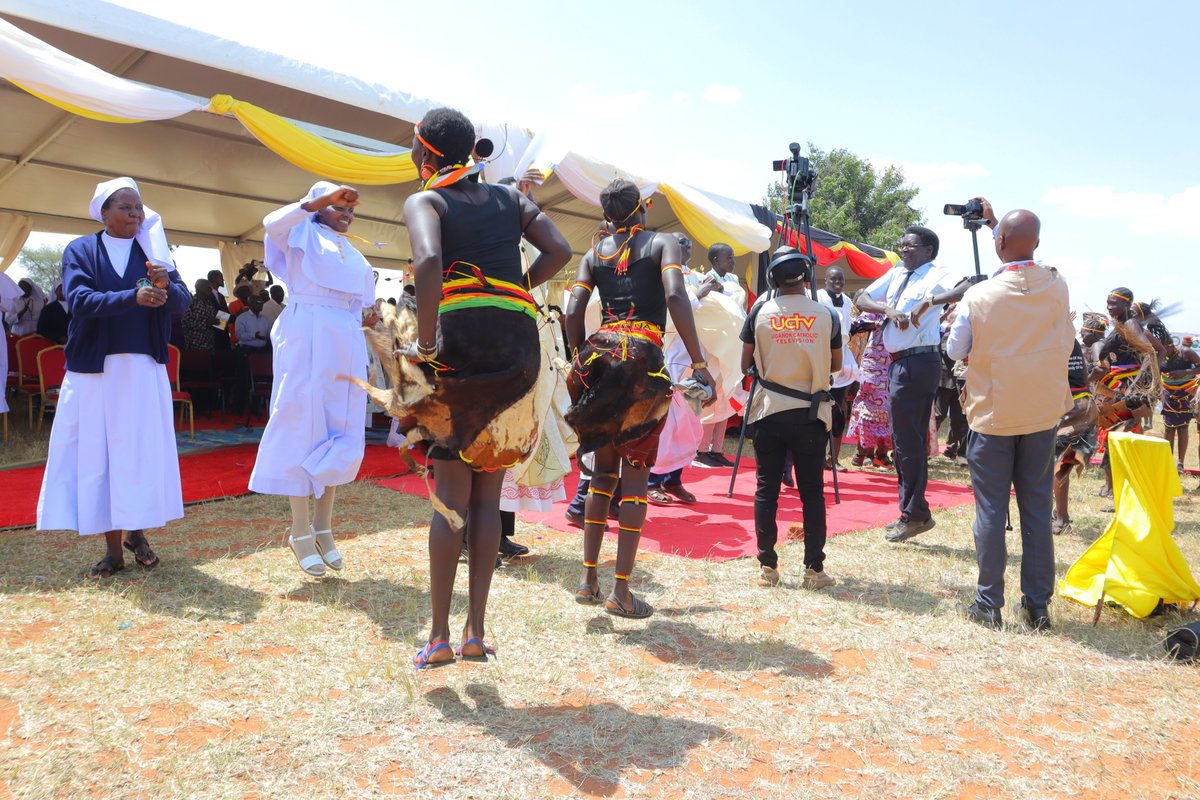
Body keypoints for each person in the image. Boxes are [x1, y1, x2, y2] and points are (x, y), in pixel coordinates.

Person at [397, 108, 571, 668]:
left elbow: (427, 260)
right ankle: (475, 634)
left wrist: (425, 344)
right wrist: (513, 286)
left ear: (425, 154)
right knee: (487, 498)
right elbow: (560, 251)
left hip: (461, 341)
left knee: (450, 497)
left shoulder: (425, 201)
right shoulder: (509, 199)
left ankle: (441, 637)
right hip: (517, 344)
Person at [566, 179, 715, 620]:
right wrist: (698, 360)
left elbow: (574, 311)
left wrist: (579, 358)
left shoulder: (594, 254)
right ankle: (622, 592)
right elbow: (673, 294)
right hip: (642, 361)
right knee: (635, 477)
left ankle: (588, 581)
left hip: (599, 352)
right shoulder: (662, 243)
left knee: (601, 474)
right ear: (642, 209)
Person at [36, 177, 191, 576]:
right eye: (125, 207)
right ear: (103, 212)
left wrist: (163, 285)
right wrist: (133, 297)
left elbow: (182, 302)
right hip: (96, 370)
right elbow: (81, 300)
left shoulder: (153, 250)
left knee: (135, 453)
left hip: (142, 368)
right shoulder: (81, 250)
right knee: (99, 453)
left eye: (139, 208)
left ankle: (136, 532)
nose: (135, 214)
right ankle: (112, 551)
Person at [945, 205, 1073, 631]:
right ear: (1037, 242)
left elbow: (954, 350)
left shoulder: (979, 296)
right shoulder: (1058, 285)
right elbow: (1025, 256)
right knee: (1036, 507)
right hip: (1042, 414)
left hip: (993, 416)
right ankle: (1037, 607)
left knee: (991, 510)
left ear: (997, 243)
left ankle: (989, 603)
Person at [248, 181, 376, 580]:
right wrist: (320, 200)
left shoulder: (353, 252)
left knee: (341, 428)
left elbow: (363, 305)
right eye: (338, 206)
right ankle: (299, 529)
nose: (346, 213)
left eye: (350, 208)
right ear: (319, 205)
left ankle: (324, 525)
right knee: (302, 424)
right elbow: (271, 222)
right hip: (306, 332)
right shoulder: (298, 231)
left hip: (345, 337)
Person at [854, 226, 962, 542]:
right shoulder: (898, 273)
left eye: (910, 245)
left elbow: (969, 286)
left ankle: (915, 513)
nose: (904, 249)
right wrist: (887, 308)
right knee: (903, 439)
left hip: (919, 361)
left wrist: (929, 301)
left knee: (908, 441)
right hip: (899, 361)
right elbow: (861, 297)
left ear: (928, 249)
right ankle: (911, 512)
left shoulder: (938, 272)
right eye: (901, 244)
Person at [742, 249, 841, 589]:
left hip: (769, 410)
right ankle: (814, 569)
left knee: (766, 490)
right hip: (811, 415)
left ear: (772, 280)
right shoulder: (826, 313)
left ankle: (767, 568)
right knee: (812, 493)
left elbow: (746, 364)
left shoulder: (759, 312)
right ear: (807, 278)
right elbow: (837, 364)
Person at [647, 234, 704, 504]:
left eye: (689, 244)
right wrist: (700, 295)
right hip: (667, 359)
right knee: (666, 424)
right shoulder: (658, 272)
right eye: (682, 243)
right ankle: (652, 481)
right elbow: (675, 301)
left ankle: (674, 479)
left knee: (690, 421)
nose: (687, 248)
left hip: (691, 361)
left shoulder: (693, 275)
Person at [1051, 315, 1105, 535]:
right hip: (1082, 405)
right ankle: (1058, 514)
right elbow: (1083, 378)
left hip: (1066, 408)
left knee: (1058, 464)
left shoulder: (1050, 339)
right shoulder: (1069, 340)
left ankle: (1061, 519)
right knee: (1061, 463)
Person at [693, 242, 743, 466]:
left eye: (732, 256)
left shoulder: (733, 281)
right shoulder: (705, 281)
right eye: (728, 257)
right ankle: (702, 450)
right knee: (711, 397)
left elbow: (738, 307)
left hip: (731, 346)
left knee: (726, 397)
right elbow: (702, 310)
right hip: (713, 347)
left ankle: (717, 449)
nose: (733, 261)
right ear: (715, 261)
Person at [816, 266, 859, 458]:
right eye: (833, 280)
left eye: (841, 280)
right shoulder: (818, 297)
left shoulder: (848, 301)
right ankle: (816, 453)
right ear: (825, 280)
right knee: (820, 409)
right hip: (823, 356)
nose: (838, 283)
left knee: (837, 409)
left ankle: (831, 457)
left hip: (842, 357)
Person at [845, 311, 893, 468]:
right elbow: (857, 326)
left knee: (888, 411)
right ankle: (865, 453)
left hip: (894, 362)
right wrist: (881, 322)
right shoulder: (874, 308)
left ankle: (882, 453)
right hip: (873, 364)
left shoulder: (904, 305)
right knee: (869, 409)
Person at [1159, 332, 1200, 472]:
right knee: (1168, 428)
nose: (1160, 351)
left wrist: (1184, 372)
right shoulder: (1159, 355)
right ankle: (1167, 460)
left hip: (1186, 394)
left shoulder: (1186, 352)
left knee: (1183, 427)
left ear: (1170, 346)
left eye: (1163, 348)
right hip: (1168, 395)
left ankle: (1180, 463)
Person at [182, 278, 219, 353]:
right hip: (195, 345)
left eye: (210, 287)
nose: (210, 289)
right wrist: (206, 323)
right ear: (199, 288)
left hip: (210, 345)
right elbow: (185, 322)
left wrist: (220, 322)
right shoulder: (190, 302)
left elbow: (217, 322)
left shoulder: (210, 304)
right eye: (208, 287)